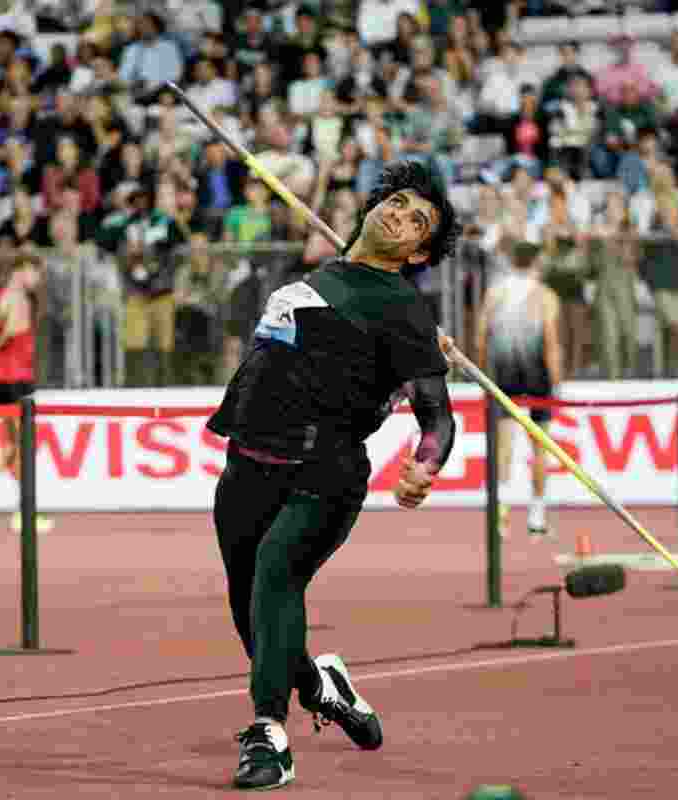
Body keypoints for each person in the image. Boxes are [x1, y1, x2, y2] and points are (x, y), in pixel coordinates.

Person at [206, 161, 459, 791]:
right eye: (396, 202)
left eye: (416, 220)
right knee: (255, 613)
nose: (400, 214)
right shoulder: (325, 273)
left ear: (419, 250)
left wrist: (423, 466)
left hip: (325, 470)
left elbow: (438, 417)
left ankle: (268, 734)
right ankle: (322, 686)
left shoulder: (403, 308)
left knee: (274, 573)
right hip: (247, 461)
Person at [473, 231, 564, 540]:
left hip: (503, 375)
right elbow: (551, 341)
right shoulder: (545, 295)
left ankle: (500, 519)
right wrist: (557, 381)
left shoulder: (495, 293)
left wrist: (485, 373)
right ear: (536, 261)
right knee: (540, 447)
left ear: (512, 261)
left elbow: (479, 336)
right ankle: (537, 519)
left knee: (504, 447)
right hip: (537, 376)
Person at [0, 255, 55, 534]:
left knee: (14, 449)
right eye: (35, 273)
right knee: (22, 448)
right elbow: (14, 331)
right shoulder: (19, 301)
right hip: (18, 379)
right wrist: (8, 336)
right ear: (21, 271)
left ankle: (22, 511)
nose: (38, 280)